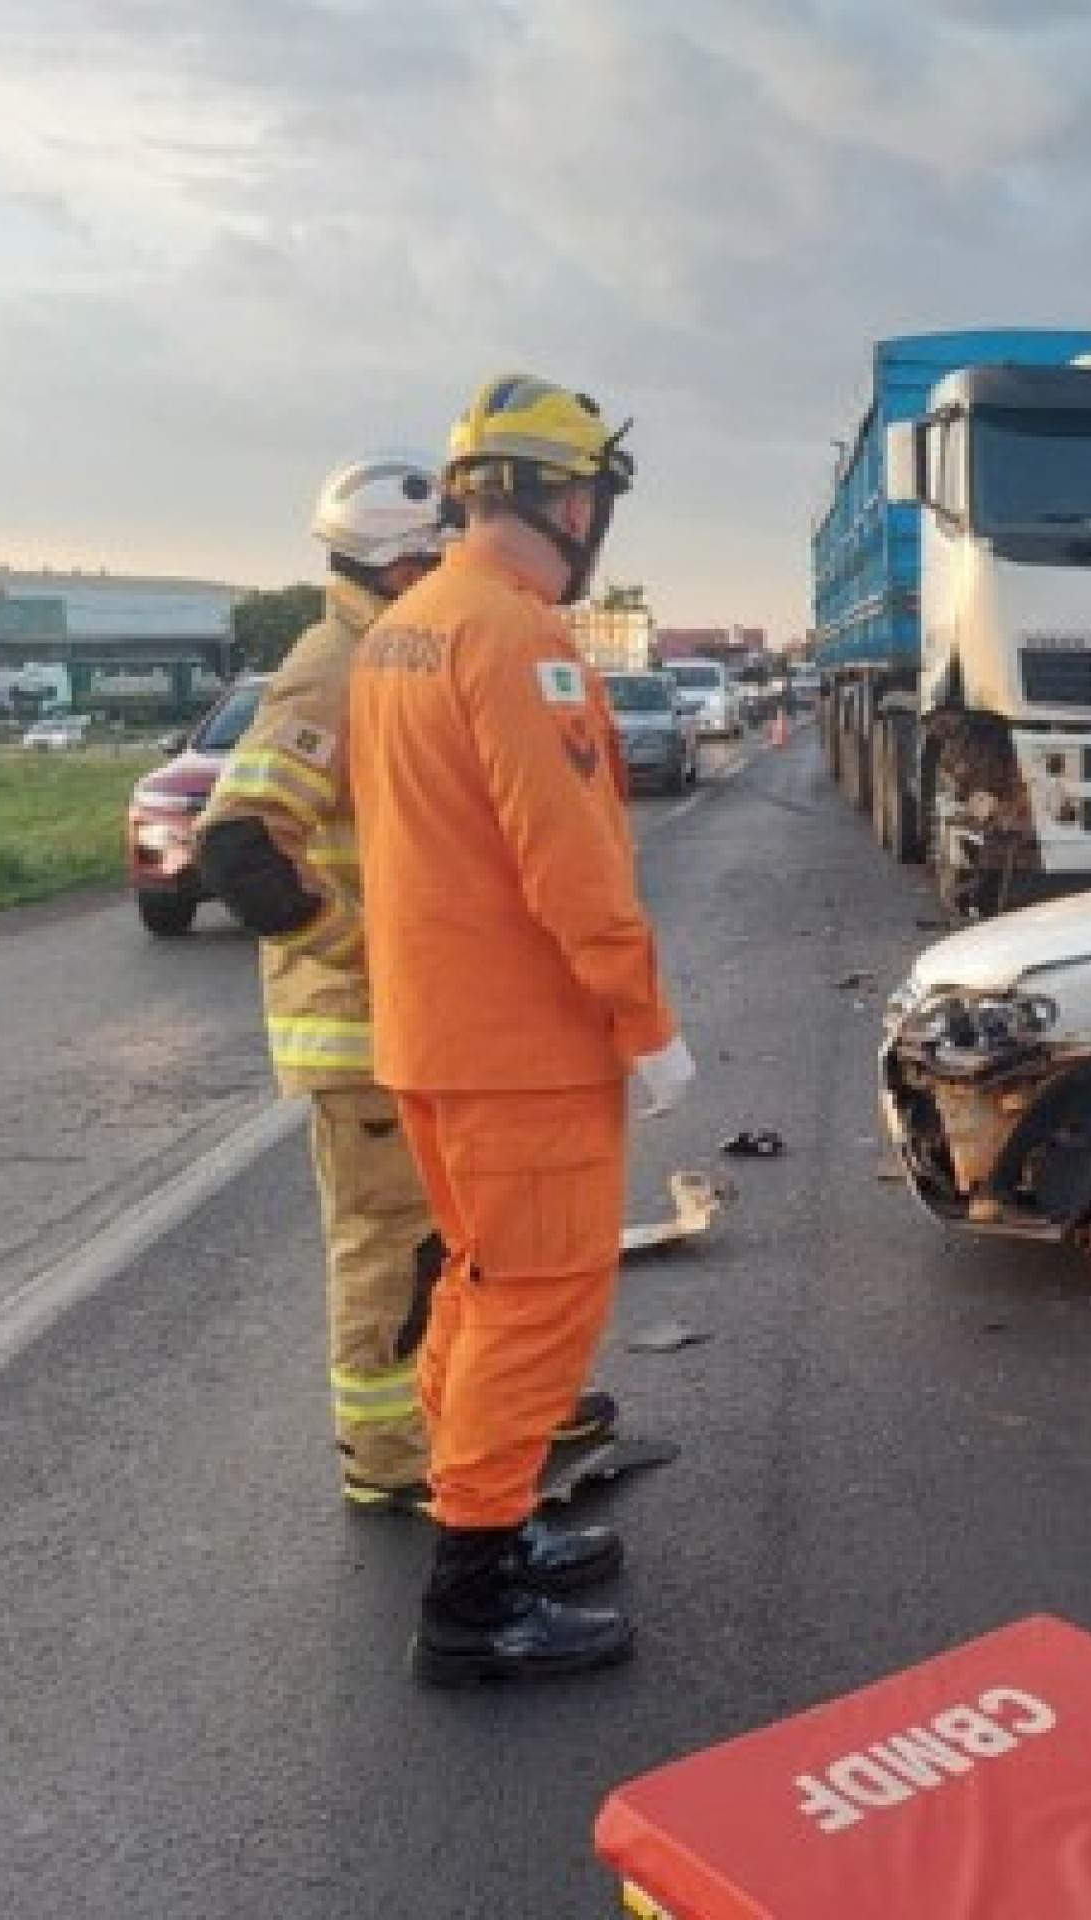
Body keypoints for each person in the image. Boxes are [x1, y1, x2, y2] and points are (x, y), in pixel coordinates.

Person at [198, 455, 618, 1516]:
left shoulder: (395, 646)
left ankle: (491, 1412)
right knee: (391, 1250)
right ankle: (387, 1454)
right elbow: (242, 846)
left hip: (426, 1029)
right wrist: (374, 950)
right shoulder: (334, 666)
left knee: (469, 1238)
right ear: (397, 563)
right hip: (364, 1027)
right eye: (439, 557)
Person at [352, 374, 691, 1685]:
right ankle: (475, 1599)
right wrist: (643, 1017)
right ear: (564, 494)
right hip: (523, 1044)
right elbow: (570, 862)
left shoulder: (411, 625)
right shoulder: (518, 638)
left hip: (438, 1033)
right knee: (538, 1302)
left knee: (481, 1287)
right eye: (590, 492)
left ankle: (478, 1524)